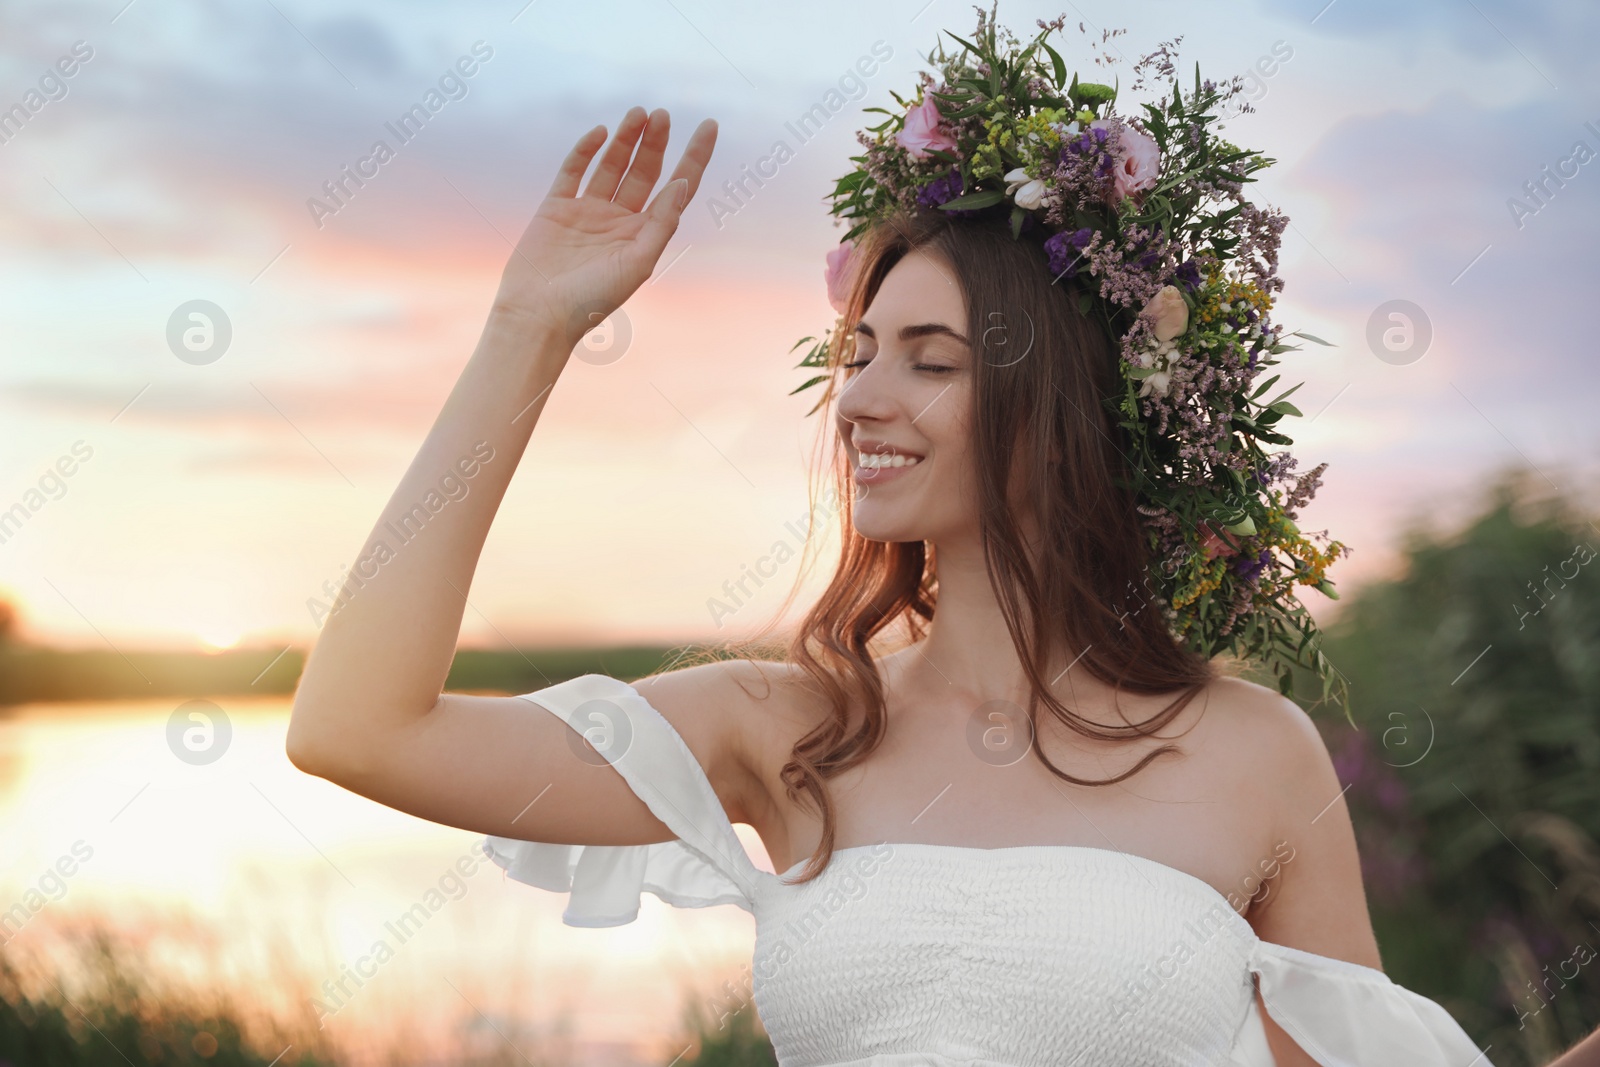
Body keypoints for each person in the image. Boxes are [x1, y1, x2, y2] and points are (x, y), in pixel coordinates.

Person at [286, 24, 1500, 1063]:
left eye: (929, 361)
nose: (859, 399)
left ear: (1061, 411)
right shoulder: (785, 725)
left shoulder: (1254, 754)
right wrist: (526, 329)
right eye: (859, 352)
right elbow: (357, 726)